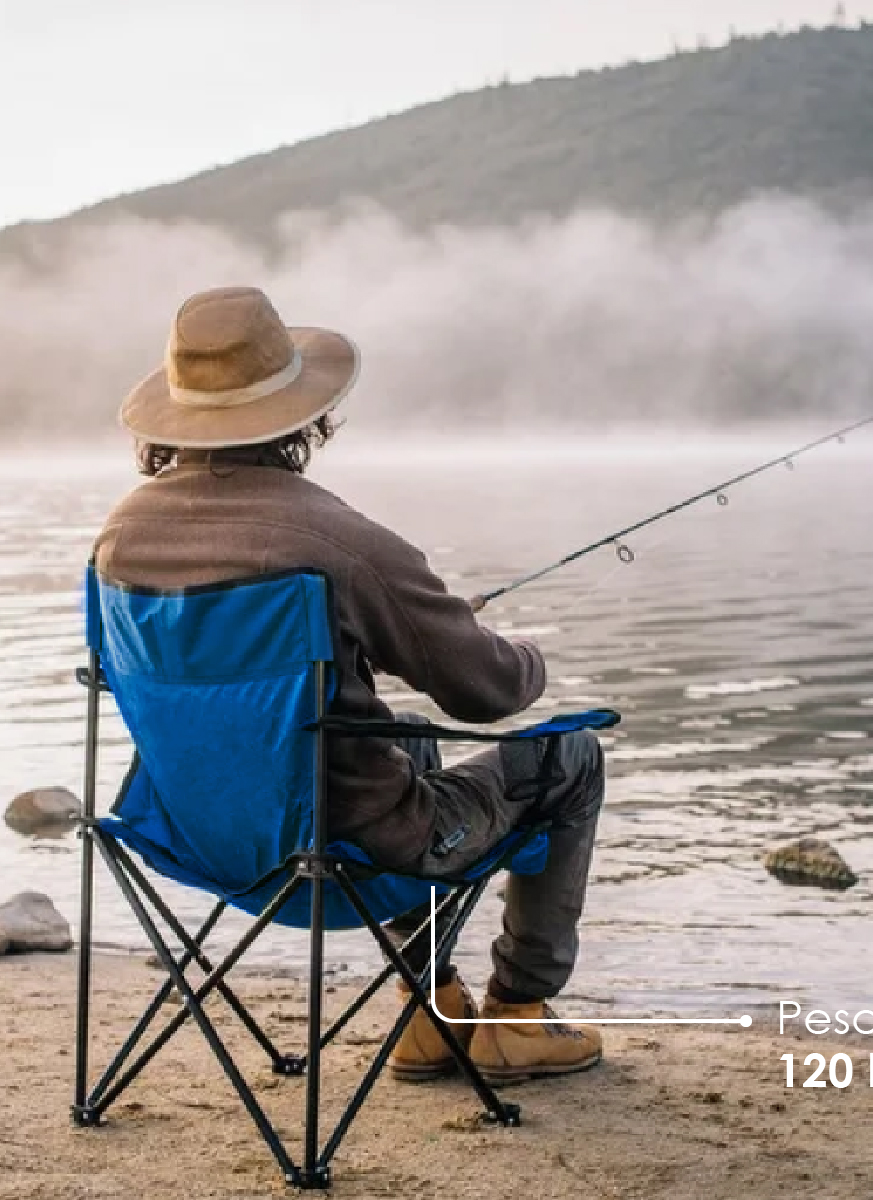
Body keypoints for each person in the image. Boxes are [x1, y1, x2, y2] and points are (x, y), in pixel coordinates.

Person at [94, 285, 605, 1085]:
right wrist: (521, 649)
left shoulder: (118, 540)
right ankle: (517, 1015)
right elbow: (490, 693)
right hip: (354, 858)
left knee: (397, 736)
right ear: (301, 417)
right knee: (570, 755)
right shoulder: (336, 539)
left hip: (206, 848)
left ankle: (427, 1011)